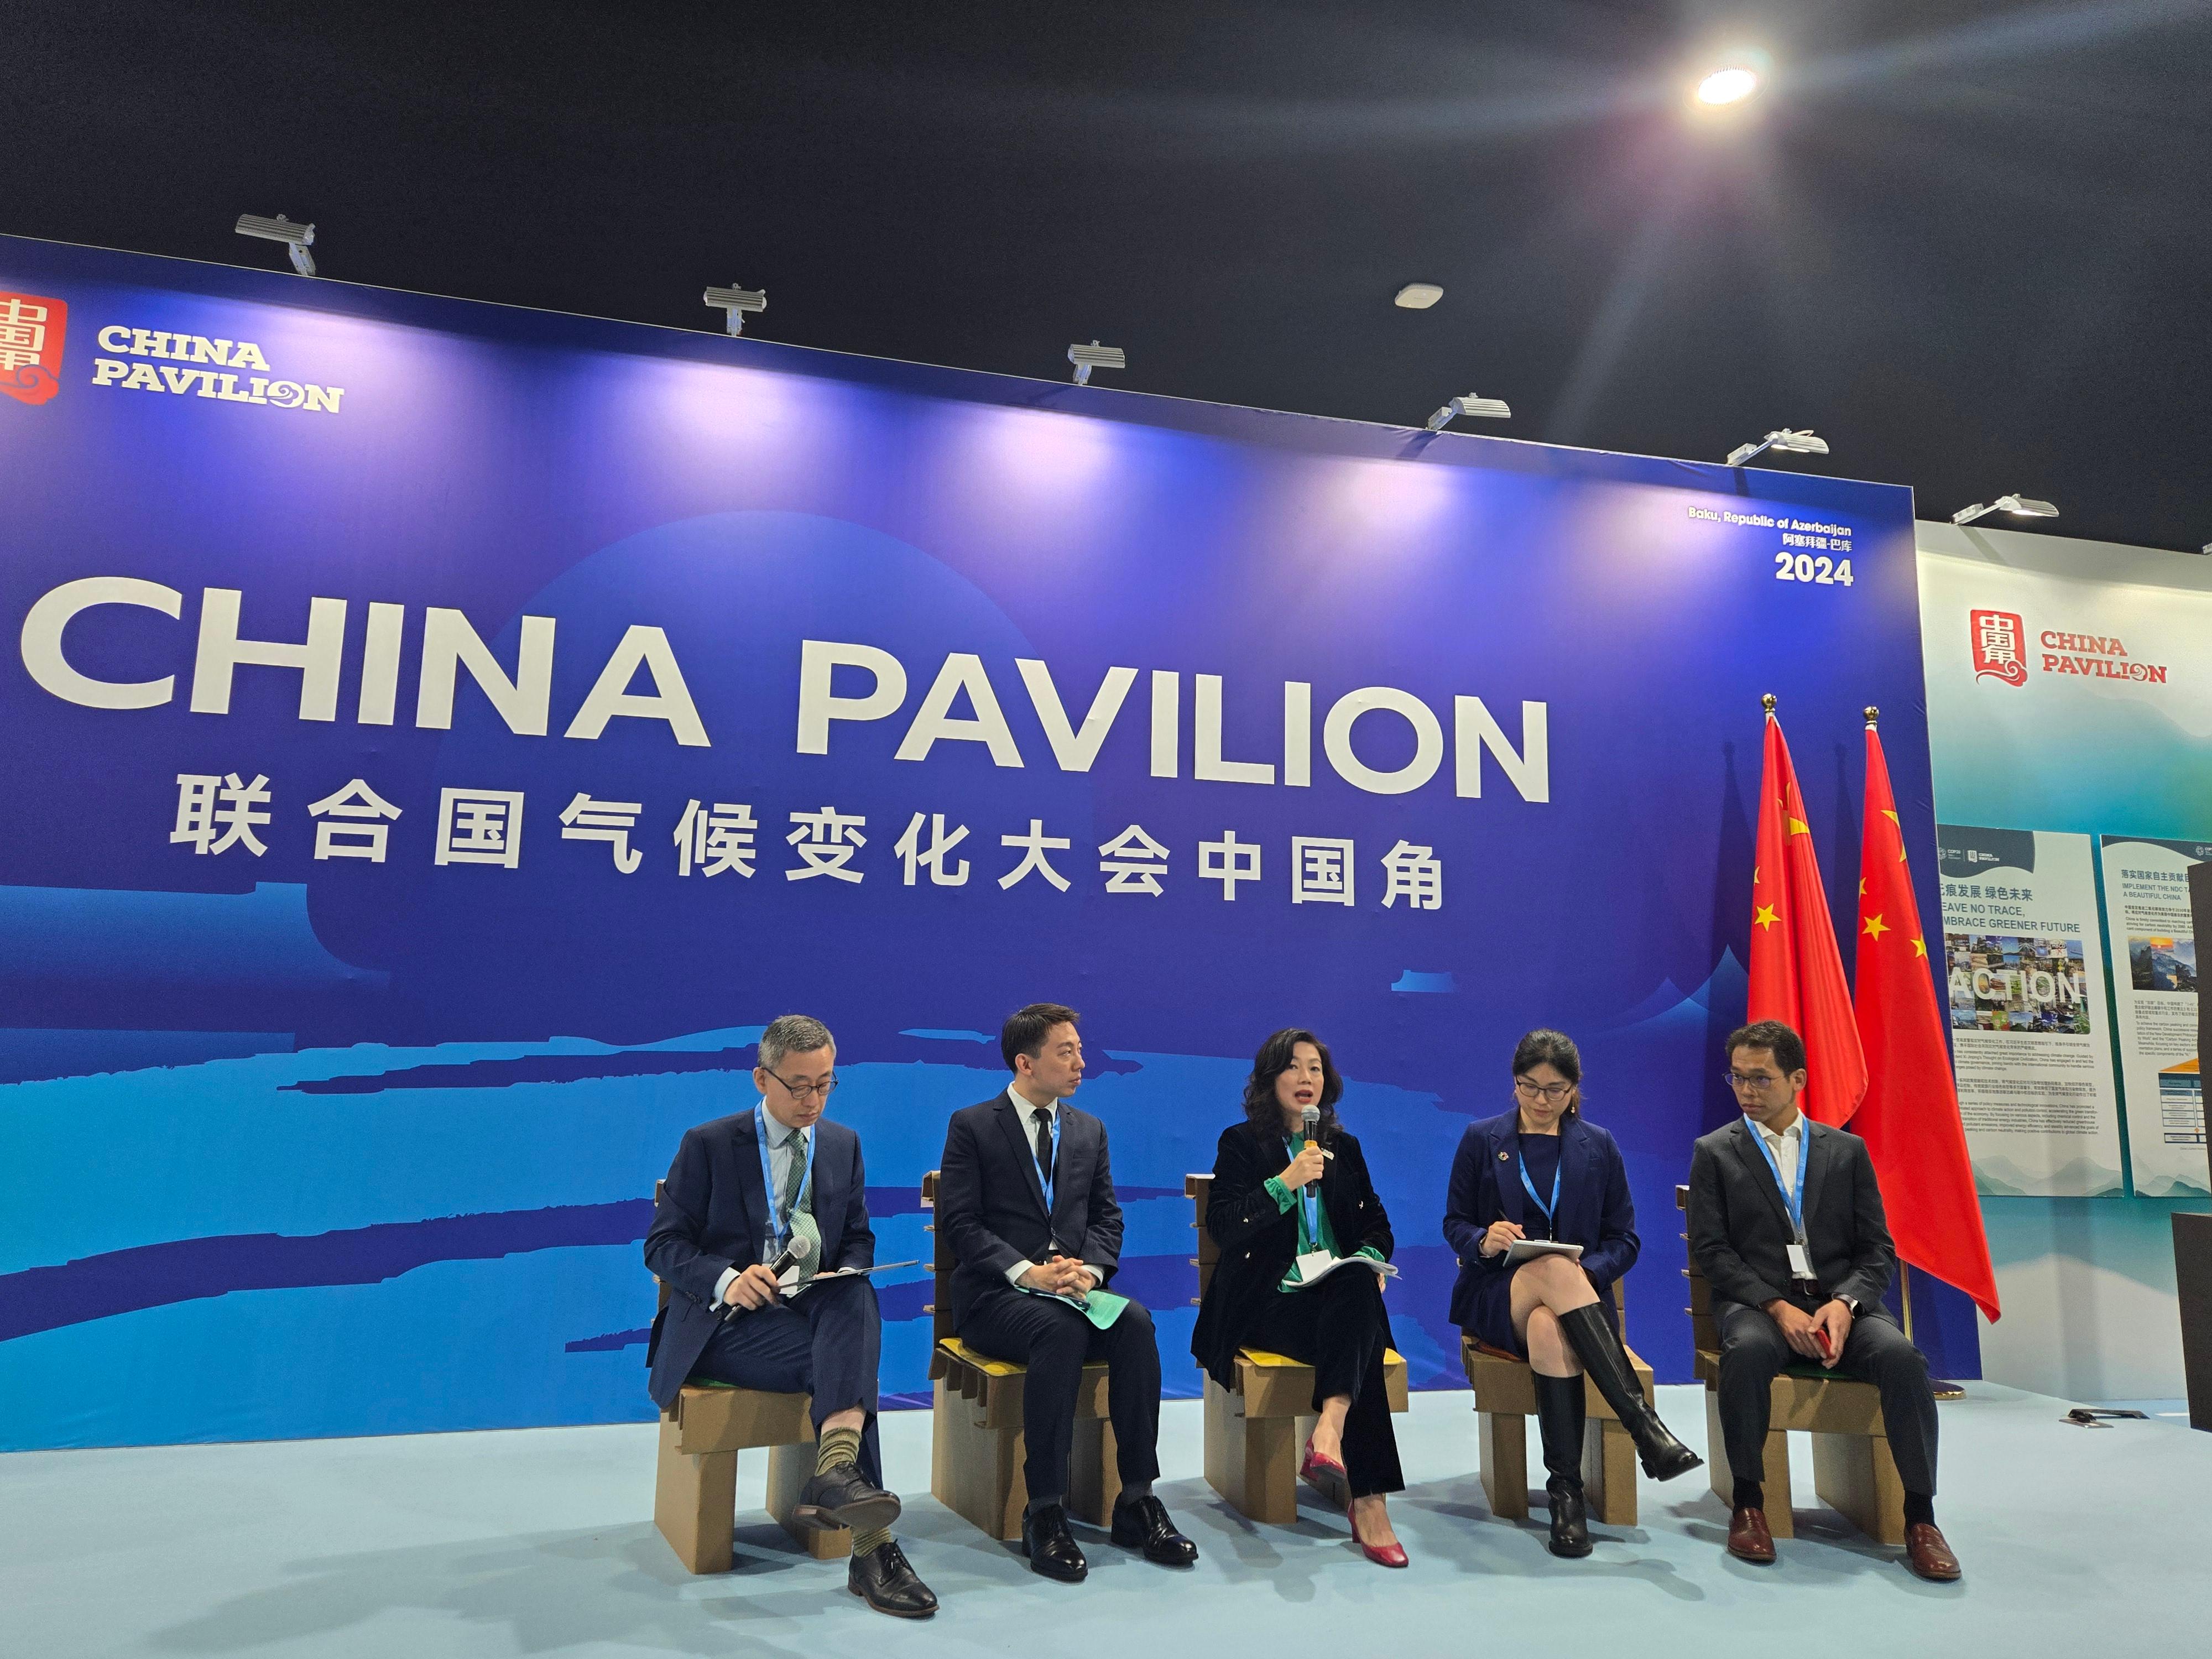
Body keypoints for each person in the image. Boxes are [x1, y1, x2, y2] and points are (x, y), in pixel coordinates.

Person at [644, 1015, 937, 1618]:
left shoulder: (841, 1144)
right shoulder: (708, 1144)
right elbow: (663, 1247)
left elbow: (857, 1238)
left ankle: (839, 1479)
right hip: (724, 1330)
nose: (813, 1100)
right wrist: (728, 1279)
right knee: (850, 1364)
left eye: (825, 1085)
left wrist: (841, 1269)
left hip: (807, 1316)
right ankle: (875, 1551)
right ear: (762, 1078)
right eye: (799, 1086)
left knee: (856, 1300)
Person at [1687, 1019, 1960, 1582]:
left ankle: (1921, 1518)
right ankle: (1748, 1503)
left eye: (1760, 1079)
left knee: (1902, 1359)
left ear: (1797, 1079)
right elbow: (1713, 1253)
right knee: (1746, 1354)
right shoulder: (1714, 1151)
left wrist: (1845, 1305)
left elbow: (1876, 1249)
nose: (1745, 1091)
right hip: (1760, 1306)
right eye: (1736, 1078)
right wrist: (1774, 1306)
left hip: (1841, 1306)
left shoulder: (1846, 1152)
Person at [936, 1003, 1198, 1581]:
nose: (1081, 1061)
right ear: (1026, 1063)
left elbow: (1106, 1217)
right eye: (1066, 1051)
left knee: (1134, 1323)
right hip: (995, 1299)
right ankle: (1045, 1509)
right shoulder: (973, 1126)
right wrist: (1026, 1273)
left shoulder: (1088, 1130)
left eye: (1080, 1049)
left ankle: (1136, 1498)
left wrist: (1092, 1272)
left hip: (1074, 1292)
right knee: (1059, 1330)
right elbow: (961, 1224)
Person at [1443, 1028, 1701, 1557]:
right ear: (1513, 1084)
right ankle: (1646, 1429)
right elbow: (1454, 1224)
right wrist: (1483, 1239)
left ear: (1575, 1089)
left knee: (1549, 1319)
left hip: (1572, 1302)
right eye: (1528, 1087)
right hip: (1497, 1294)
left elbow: (1625, 1239)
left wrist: (1586, 1275)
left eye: (1554, 1090)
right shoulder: (1481, 1139)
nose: (1540, 1101)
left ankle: (1566, 1494)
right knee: (1553, 1272)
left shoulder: (1598, 1146)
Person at [1191, 1029, 1408, 1566]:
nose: (1306, 1078)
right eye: (1293, 1067)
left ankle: (1329, 1430)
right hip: (1269, 1303)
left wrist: (1369, 1259)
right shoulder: (1241, 1144)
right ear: (1269, 1080)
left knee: (1357, 1287)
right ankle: (1369, 1502)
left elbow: (1377, 1225)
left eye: (1315, 1068)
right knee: (1359, 1334)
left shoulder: (1344, 1148)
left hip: (1337, 1295)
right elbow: (1223, 1227)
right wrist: (1284, 1182)